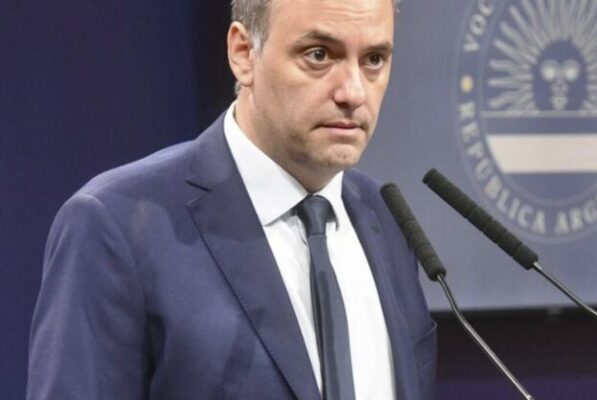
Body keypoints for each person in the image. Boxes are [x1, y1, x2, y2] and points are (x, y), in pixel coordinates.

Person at [27, 0, 436, 399]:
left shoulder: (385, 217)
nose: (353, 92)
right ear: (243, 53)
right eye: (318, 55)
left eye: (374, 60)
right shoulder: (116, 226)